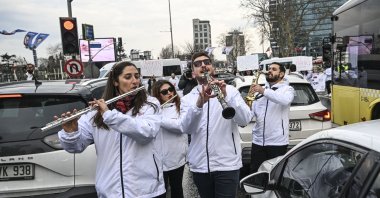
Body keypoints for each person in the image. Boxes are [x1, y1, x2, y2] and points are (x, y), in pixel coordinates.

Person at [57, 61, 165, 198]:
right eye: (128, 77)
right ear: (115, 82)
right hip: (111, 191)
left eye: (137, 76)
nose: (135, 81)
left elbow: (146, 133)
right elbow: (76, 147)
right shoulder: (97, 111)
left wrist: (109, 115)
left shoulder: (150, 105)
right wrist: (71, 132)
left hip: (146, 191)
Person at [180, 52, 252, 198]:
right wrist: (199, 104)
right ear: (193, 73)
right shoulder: (187, 99)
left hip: (227, 164)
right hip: (200, 166)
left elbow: (244, 120)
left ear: (212, 68)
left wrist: (227, 97)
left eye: (206, 62)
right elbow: (186, 128)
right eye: (197, 64)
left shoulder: (230, 91)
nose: (203, 65)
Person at [249, 62, 295, 173]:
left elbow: (284, 100)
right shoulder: (259, 92)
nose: (269, 71)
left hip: (277, 142)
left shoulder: (288, 90)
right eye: (269, 69)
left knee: (275, 174)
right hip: (258, 141)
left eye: (274, 69)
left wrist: (263, 91)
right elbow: (251, 114)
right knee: (256, 174)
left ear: (281, 74)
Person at [152, 80, 187, 198]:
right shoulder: (152, 109)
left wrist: (157, 119)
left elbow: (180, 126)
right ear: (158, 94)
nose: (170, 93)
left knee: (177, 190)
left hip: (176, 158)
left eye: (171, 89)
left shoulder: (181, 106)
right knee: (160, 192)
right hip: (158, 160)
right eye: (164, 92)